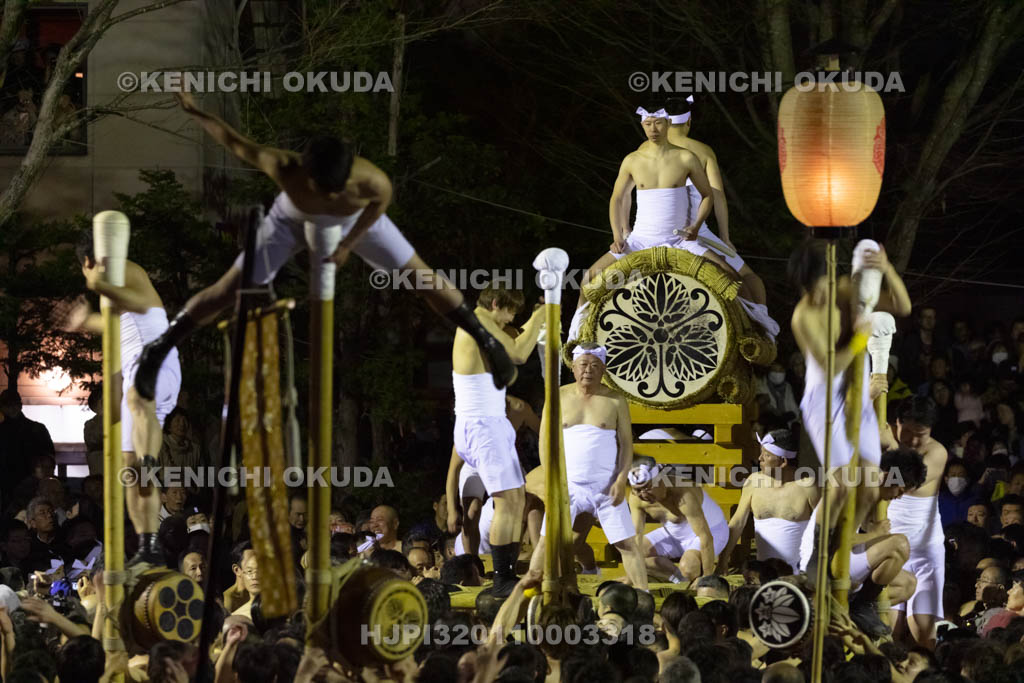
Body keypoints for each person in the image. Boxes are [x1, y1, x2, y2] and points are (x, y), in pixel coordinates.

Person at [133, 91, 516, 404]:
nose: (331, 194)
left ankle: (486, 342)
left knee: (423, 277)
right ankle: (160, 348)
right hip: (290, 222)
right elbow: (234, 141)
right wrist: (197, 110)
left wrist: (349, 242)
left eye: (338, 189)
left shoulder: (372, 182)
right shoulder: (282, 165)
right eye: (324, 189)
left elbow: (378, 207)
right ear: (306, 171)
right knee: (229, 288)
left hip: (356, 224)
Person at [66, 246, 182, 566]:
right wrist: (86, 320)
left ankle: (149, 460)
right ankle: (149, 542)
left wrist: (99, 285)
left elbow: (139, 303)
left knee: (136, 401)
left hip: (158, 362)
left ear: (90, 263)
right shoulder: (108, 300)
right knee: (127, 471)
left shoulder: (129, 270)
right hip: (135, 375)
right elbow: (115, 331)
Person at [789, 239, 911, 534]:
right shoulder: (802, 317)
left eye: (820, 285)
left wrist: (888, 270)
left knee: (870, 487)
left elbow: (902, 307)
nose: (817, 294)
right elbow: (832, 366)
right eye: (809, 289)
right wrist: (859, 338)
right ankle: (818, 550)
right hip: (823, 400)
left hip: (858, 398)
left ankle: (843, 546)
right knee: (842, 483)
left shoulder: (845, 289)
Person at [528, 344, 648, 589]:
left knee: (627, 544)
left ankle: (643, 595)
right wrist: (551, 479)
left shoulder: (615, 399)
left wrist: (621, 479)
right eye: (583, 364)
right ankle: (529, 592)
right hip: (567, 485)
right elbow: (544, 440)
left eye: (595, 365)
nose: (588, 370)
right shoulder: (558, 396)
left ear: (603, 369)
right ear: (573, 367)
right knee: (546, 541)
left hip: (606, 486)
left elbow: (626, 443)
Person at [451, 284, 544, 596]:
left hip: (480, 423)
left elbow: (515, 339)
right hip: (483, 426)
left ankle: (505, 574)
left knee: (516, 499)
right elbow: (518, 353)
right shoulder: (479, 324)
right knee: (508, 502)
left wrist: (538, 318)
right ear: (495, 305)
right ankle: (503, 578)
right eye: (508, 316)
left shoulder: (477, 323)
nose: (509, 323)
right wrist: (542, 315)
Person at [799, 448, 927, 636]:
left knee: (907, 584)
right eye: (899, 490)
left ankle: (855, 606)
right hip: (824, 562)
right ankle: (861, 607)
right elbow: (839, 541)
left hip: (844, 559)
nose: (899, 496)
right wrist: (875, 533)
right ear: (887, 476)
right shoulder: (859, 491)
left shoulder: (873, 490)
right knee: (900, 544)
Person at [660, 95, 767, 305]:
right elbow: (718, 195)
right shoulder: (703, 151)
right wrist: (725, 238)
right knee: (748, 276)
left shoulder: (647, 151)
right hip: (698, 232)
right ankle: (765, 329)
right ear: (689, 121)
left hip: (658, 231)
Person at [882, 396, 949, 649]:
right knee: (888, 630)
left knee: (923, 631)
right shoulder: (886, 436)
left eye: (919, 433)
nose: (911, 439)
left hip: (923, 552)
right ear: (896, 422)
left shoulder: (936, 452)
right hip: (887, 547)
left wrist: (888, 443)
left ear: (930, 431)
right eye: (906, 430)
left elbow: (905, 479)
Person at [718, 429, 818, 574]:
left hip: (798, 573)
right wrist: (722, 561)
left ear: (783, 462)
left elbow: (826, 528)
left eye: (766, 455)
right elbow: (737, 523)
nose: (759, 459)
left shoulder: (808, 486)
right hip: (761, 573)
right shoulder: (753, 481)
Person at [628, 456, 729, 582]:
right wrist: (632, 578)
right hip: (673, 534)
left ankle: (683, 575)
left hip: (712, 531)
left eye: (648, 488)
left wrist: (707, 578)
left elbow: (705, 537)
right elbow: (636, 537)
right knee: (634, 552)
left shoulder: (684, 494)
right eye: (637, 490)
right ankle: (678, 578)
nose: (643, 495)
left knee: (688, 568)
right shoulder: (636, 498)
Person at [0, 389, 55, 503]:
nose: (11, 409)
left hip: (32, 481)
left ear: (20, 405)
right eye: (7, 405)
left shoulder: (37, 429)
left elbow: (48, 457)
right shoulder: (36, 428)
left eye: (14, 404)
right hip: (7, 482)